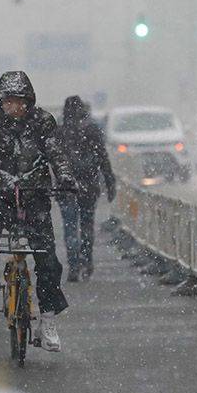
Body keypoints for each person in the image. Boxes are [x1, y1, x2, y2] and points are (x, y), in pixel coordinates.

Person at [0, 71, 77, 352]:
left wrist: (65, 177)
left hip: (35, 195)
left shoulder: (42, 122)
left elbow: (57, 155)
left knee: (48, 262)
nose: (14, 107)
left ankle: (47, 319)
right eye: (8, 101)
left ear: (29, 102)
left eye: (19, 101)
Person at [56, 95, 116, 282]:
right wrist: (109, 180)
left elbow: (52, 160)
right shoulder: (92, 130)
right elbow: (102, 158)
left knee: (70, 226)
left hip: (66, 187)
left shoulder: (60, 130)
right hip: (88, 186)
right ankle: (86, 261)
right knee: (87, 224)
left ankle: (73, 265)